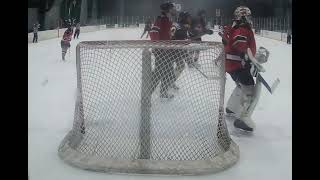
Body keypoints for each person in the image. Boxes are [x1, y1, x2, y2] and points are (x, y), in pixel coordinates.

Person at [221, 6, 259, 132]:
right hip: (238, 65)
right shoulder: (242, 28)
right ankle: (243, 118)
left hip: (232, 65)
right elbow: (239, 42)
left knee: (240, 85)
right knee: (250, 90)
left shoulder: (236, 27)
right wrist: (246, 56)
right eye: (247, 16)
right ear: (242, 17)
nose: (249, 19)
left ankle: (231, 108)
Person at [149, 1, 177, 99]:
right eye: (173, 8)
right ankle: (147, 94)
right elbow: (153, 32)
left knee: (169, 74)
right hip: (161, 52)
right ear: (168, 9)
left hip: (167, 52)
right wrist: (159, 47)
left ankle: (163, 93)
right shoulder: (160, 19)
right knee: (158, 74)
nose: (174, 10)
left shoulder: (168, 20)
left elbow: (168, 34)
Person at [169, 11, 193, 90]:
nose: (190, 19)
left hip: (172, 50)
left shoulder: (178, 25)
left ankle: (170, 82)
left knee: (178, 66)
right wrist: (186, 57)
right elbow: (180, 42)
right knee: (175, 67)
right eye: (188, 18)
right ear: (184, 18)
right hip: (172, 51)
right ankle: (168, 84)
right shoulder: (181, 27)